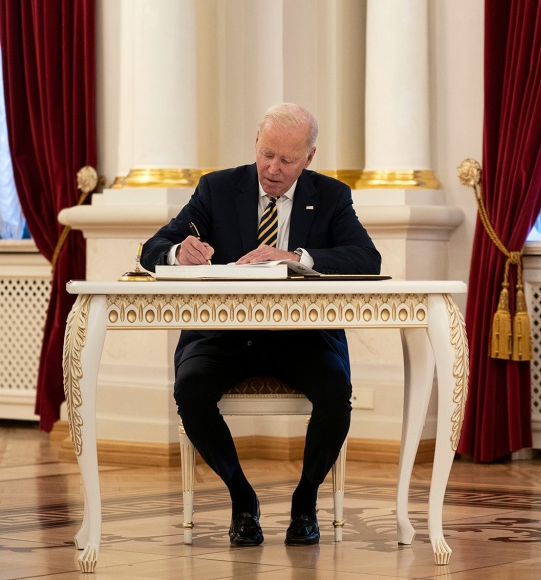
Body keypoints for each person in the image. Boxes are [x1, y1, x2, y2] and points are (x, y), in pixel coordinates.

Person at [141, 103, 381, 547]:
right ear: (256, 143)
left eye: (287, 160)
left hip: (301, 338)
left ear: (308, 158)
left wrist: (296, 257)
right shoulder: (217, 189)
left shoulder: (330, 196)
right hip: (222, 336)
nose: (272, 168)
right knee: (190, 390)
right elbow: (153, 247)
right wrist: (179, 252)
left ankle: (306, 501)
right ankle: (241, 497)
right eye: (266, 153)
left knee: (335, 392)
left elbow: (367, 259)